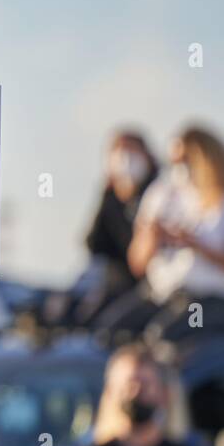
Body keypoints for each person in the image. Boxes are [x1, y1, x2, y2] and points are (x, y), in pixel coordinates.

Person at [96, 126, 224, 344]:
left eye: (185, 160)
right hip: (165, 295)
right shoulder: (162, 195)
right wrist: (152, 237)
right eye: (174, 162)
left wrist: (196, 245)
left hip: (215, 300)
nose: (179, 168)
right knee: (111, 332)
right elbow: (137, 264)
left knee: (165, 337)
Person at [72, 131, 158, 327]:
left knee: (115, 324)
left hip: (149, 288)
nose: (125, 159)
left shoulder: (159, 192)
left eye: (131, 151)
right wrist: (107, 193)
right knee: (84, 316)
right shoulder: (111, 197)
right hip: (116, 284)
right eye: (119, 152)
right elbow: (93, 245)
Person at [80, 343, 196, 446]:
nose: (136, 393)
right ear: (110, 392)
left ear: (164, 394)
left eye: (145, 385)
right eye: (129, 385)